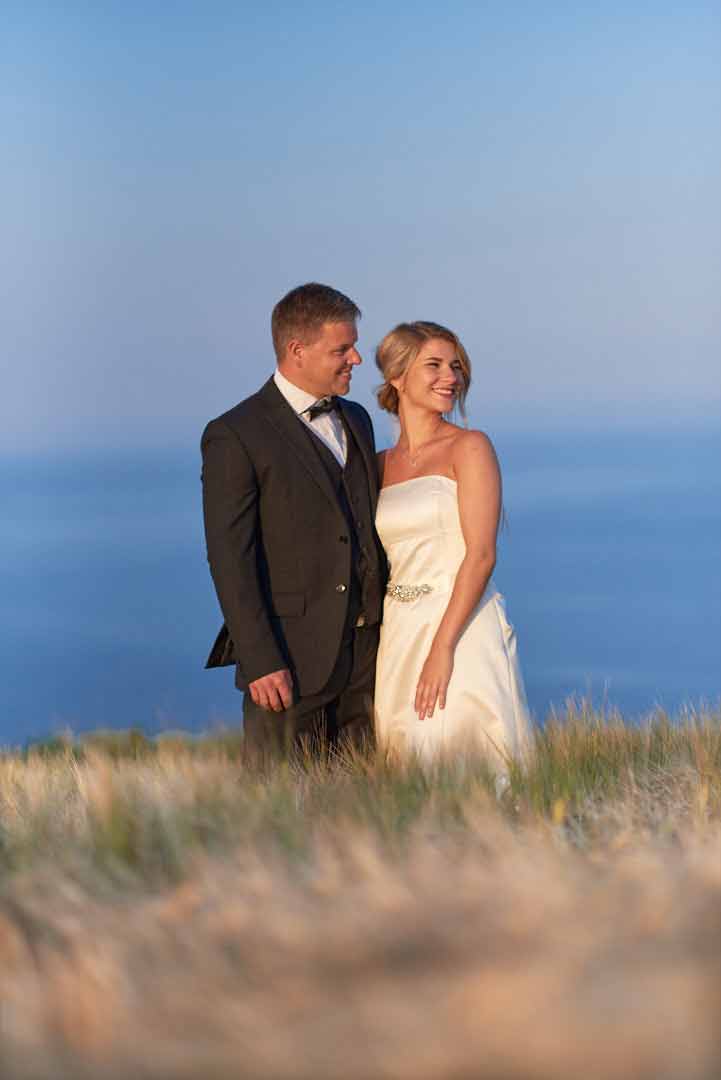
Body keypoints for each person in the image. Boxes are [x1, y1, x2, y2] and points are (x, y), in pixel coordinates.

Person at [201, 283, 387, 765]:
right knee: (279, 811)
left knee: (363, 809)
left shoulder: (359, 420)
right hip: (289, 663)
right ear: (296, 350)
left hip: (366, 661)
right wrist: (262, 661)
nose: (357, 359)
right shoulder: (235, 434)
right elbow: (229, 558)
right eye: (341, 349)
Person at [373, 321, 532, 777]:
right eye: (435, 365)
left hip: (461, 627)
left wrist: (443, 648)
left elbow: (481, 555)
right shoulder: (380, 464)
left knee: (470, 759)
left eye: (456, 366)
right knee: (408, 767)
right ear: (397, 377)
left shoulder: (471, 447)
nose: (451, 377)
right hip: (400, 633)